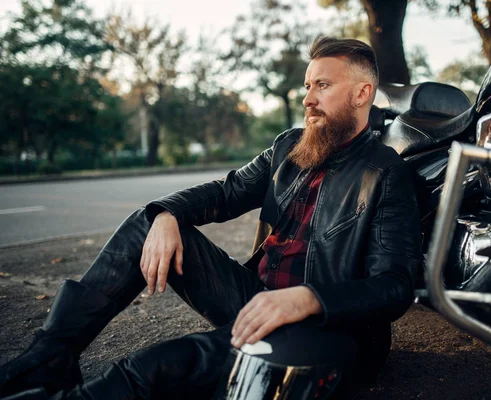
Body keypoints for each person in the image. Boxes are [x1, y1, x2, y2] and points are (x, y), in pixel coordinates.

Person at [0, 35, 422, 400]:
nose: (308, 98)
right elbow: (225, 192)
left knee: (157, 365)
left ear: (362, 93)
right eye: (307, 85)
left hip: (325, 327)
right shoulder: (290, 146)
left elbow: (395, 286)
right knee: (148, 220)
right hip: (254, 297)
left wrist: (311, 298)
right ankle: (49, 357)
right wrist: (167, 214)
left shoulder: (384, 173)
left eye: (323, 86)